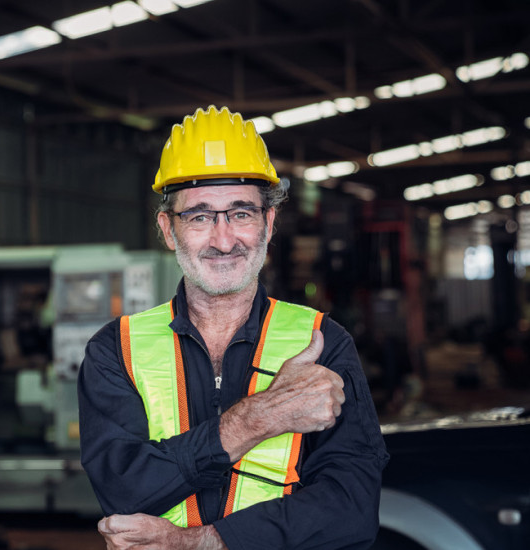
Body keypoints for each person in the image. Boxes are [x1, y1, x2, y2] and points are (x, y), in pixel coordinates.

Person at [77, 106, 389, 549]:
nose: (224, 240)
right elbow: (123, 490)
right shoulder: (116, 349)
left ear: (269, 222)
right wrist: (262, 416)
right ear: (169, 230)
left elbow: (351, 509)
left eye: (241, 213)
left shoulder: (322, 342)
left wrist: (204, 542)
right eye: (200, 216)